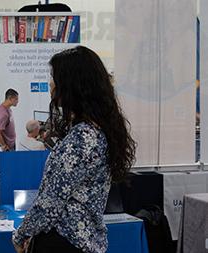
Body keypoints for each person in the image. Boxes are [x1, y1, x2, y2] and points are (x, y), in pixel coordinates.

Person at [12, 46, 136, 253]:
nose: (50, 84)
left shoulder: (81, 137)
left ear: (71, 84)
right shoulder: (96, 130)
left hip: (64, 240)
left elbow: (51, 201)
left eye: (54, 77)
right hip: (82, 239)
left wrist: (22, 234)